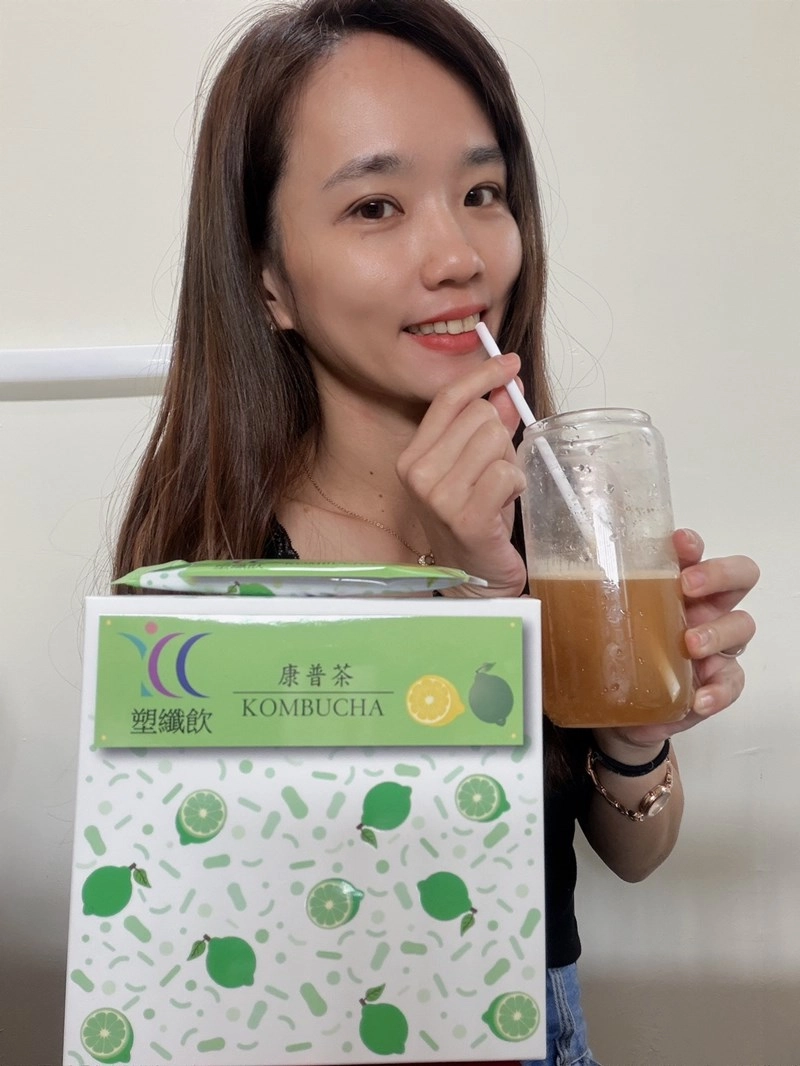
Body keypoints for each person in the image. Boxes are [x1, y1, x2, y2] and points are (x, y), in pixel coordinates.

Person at [112, 1, 759, 1063]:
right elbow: (280, 907)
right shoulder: (213, 571)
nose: (459, 254)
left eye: (480, 193)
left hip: (540, 1022)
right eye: (375, 206)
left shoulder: (549, 517)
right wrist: (463, 610)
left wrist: (636, 727)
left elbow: (627, 857)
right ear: (268, 279)